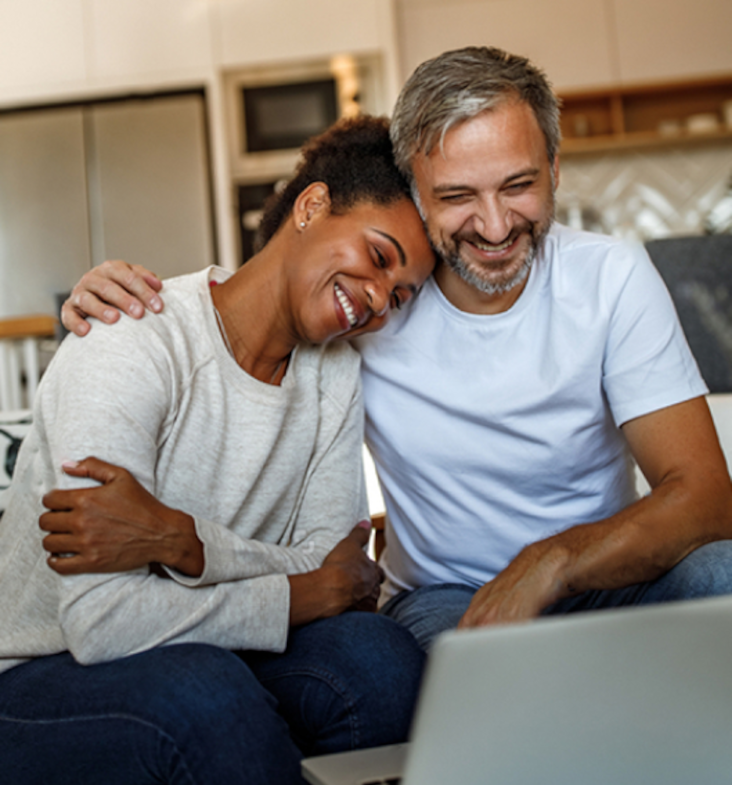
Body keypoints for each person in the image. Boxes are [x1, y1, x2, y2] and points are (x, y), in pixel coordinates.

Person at [59, 48, 732, 653]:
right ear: (415, 192)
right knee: (465, 686)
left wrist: (549, 563)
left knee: (721, 571)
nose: (495, 227)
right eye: (458, 196)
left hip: (602, 574)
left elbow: (705, 498)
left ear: (555, 169)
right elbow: (267, 293)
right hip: (447, 597)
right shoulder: (364, 311)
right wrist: (127, 302)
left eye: (519, 185)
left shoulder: (611, 275)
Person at [0, 116, 435, 785]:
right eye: (380, 255)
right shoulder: (130, 338)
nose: (379, 300)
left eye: (402, 293)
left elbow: (340, 581)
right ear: (312, 206)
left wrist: (181, 543)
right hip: (36, 679)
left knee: (383, 660)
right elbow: (104, 621)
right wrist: (300, 587)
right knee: (207, 691)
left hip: (210, 648)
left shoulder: (334, 374)